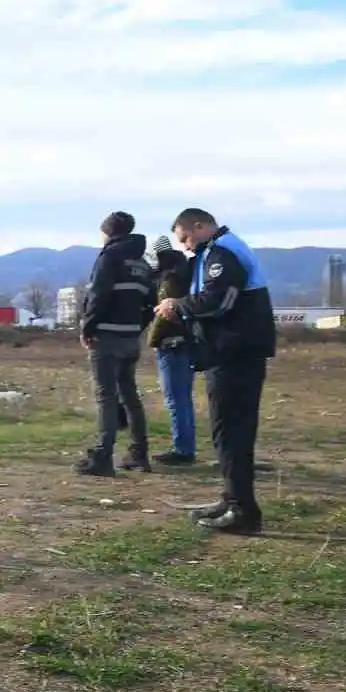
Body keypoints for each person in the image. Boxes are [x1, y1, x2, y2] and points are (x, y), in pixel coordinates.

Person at [155, 208, 276, 534]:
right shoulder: (217, 251)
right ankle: (233, 499)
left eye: (186, 237)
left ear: (200, 226)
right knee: (227, 432)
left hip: (235, 352)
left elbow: (219, 300)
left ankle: (243, 512)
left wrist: (175, 305)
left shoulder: (223, 253)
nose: (186, 246)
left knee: (232, 431)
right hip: (231, 352)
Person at [76, 211, 156, 476]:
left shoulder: (109, 257)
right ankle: (139, 454)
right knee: (130, 397)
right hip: (130, 338)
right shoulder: (142, 263)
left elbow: (98, 294)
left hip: (106, 337)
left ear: (108, 232)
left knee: (106, 397)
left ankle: (102, 456)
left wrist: (87, 326)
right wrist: (136, 328)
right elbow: (150, 303)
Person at [147, 235, 196, 465]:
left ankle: (183, 449)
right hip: (186, 342)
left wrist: (153, 339)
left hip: (172, 344)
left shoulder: (169, 279)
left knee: (175, 399)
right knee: (183, 397)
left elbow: (163, 315)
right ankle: (186, 445)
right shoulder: (185, 271)